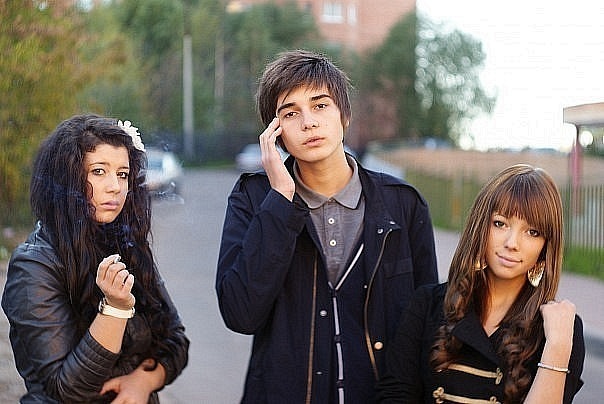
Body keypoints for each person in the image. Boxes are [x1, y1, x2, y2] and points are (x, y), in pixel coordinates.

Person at [215, 49, 438, 403]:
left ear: (344, 115)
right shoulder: (254, 198)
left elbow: (428, 326)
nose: (308, 123)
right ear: (275, 133)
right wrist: (281, 200)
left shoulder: (403, 204)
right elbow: (240, 313)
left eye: (320, 106)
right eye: (290, 113)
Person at [2, 114, 189, 403]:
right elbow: (68, 389)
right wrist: (115, 309)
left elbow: (176, 339)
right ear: (67, 178)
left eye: (123, 174)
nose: (115, 186)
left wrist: (143, 381)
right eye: (99, 171)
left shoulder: (127, 245)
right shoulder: (35, 265)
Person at [377, 164, 585, 403]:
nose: (512, 243)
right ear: (481, 226)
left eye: (532, 232)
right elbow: (394, 396)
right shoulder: (427, 305)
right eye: (500, 223)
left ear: (546, 246)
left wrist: (557, 346)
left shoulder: (558, 330)